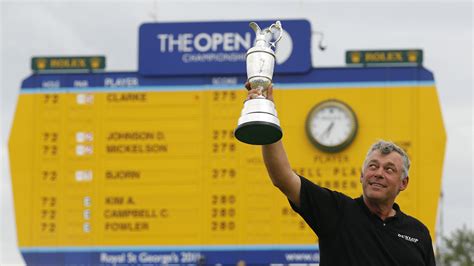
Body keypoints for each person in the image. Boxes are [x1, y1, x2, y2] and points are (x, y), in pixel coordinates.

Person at [245, 83, 436, 266]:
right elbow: (283, 177)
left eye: (389, 169)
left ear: (404, 183)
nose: (378, 173)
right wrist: (266, 117)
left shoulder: (418, 233)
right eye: (373, 166)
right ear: (361, 176)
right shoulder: (338, 211)